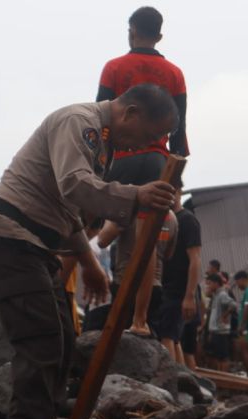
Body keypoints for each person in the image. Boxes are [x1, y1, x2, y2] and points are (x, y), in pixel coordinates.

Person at [0, 83, 179, 419]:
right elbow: (75, 185)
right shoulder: (79, 122)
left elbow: (70, 215)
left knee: (65, 337)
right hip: (9, 240)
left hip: (34, 245)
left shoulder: (103, 144)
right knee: (41, 341)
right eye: (149, 136)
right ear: (131, 113)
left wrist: (88, 263)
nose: (144, 145)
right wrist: (135, 195)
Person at [96, 6, 188, 336]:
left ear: (131, 30)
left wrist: (98, 162)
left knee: (97, 222)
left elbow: (101, 117)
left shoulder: (114, 67)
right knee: (147, 237)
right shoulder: (175, 74)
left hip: (120, 156)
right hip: (156, 159)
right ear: (159, 35)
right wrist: (174, 178)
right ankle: (140, 320)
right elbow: (180, 131)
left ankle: (66, 292)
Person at [158, 188, 201, 363]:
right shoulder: (167, 219)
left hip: (180, 291)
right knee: (173, 339)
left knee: (167, 337)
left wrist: (189, 296)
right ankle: (183, 384)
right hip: (168, 288)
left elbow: (195, 259)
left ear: (178, 192)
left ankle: (172, 384)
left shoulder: (188, 220)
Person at [204, 273, 237, 372]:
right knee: (217, 357)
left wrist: (225, 315)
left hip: (221, 332)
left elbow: (234, 305)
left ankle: (224, 378)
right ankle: (220, 377)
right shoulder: (216, 295)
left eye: (209, 284)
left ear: (216, 283)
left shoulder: (222, 294)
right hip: (215, 332)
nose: (208, 286)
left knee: (223, 358)